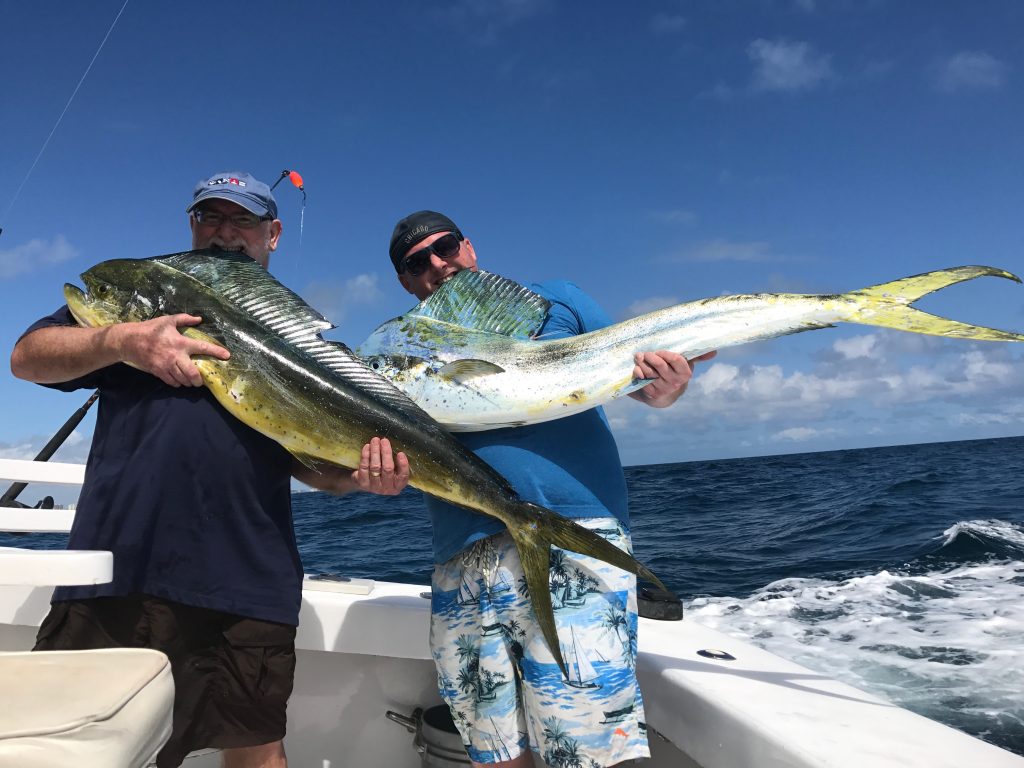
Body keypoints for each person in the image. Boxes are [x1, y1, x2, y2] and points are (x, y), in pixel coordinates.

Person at [9, 171, 409, 768]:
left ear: (273, 234)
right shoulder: (145, 306)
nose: (224, 233)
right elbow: (27, 357)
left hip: (247, 577)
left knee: (255, 750)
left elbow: (317, 470)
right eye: (209, 218)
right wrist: (122, 340)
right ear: (191, 226)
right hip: (118, 568)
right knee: (74, 744)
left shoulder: (303, 349)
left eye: (241, 220)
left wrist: (362, 475)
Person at [387, 210, 715, 768]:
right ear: (405, 281)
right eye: (418, 262)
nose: (438, 265)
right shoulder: (400, 345)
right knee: (491, 745)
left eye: (445, 248)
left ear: (469, 245)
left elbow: (641, 387)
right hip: (462, 553)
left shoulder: (559, 299)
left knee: (586, 746)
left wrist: (666, 387)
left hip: (574, 533)